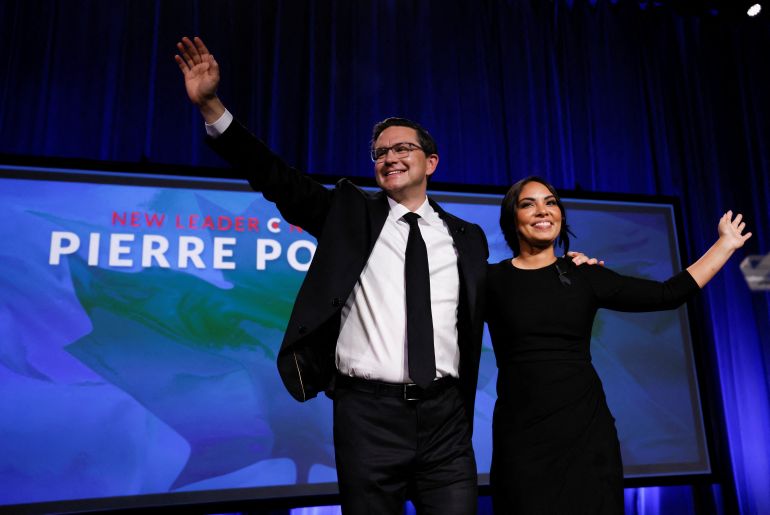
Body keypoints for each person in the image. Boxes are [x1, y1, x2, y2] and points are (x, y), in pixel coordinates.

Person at [174, 36, 489, 514]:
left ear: (432, 162)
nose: (389, 158)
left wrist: (569, 266)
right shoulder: (348, 213)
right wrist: (213, 108)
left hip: (445, 421)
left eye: (403, 148)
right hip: (368, 417)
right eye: (380, 153)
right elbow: (275, 176)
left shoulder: (467, 237)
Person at [485, 176, 752, 514]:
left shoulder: (584, 275)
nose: (543, 211)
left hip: (586, 435)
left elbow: (666, 295)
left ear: (561, 216)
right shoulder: (491, 281)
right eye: (528, 204)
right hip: (521, 438)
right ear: (512, 218)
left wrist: (725, 245)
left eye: (550, 202)